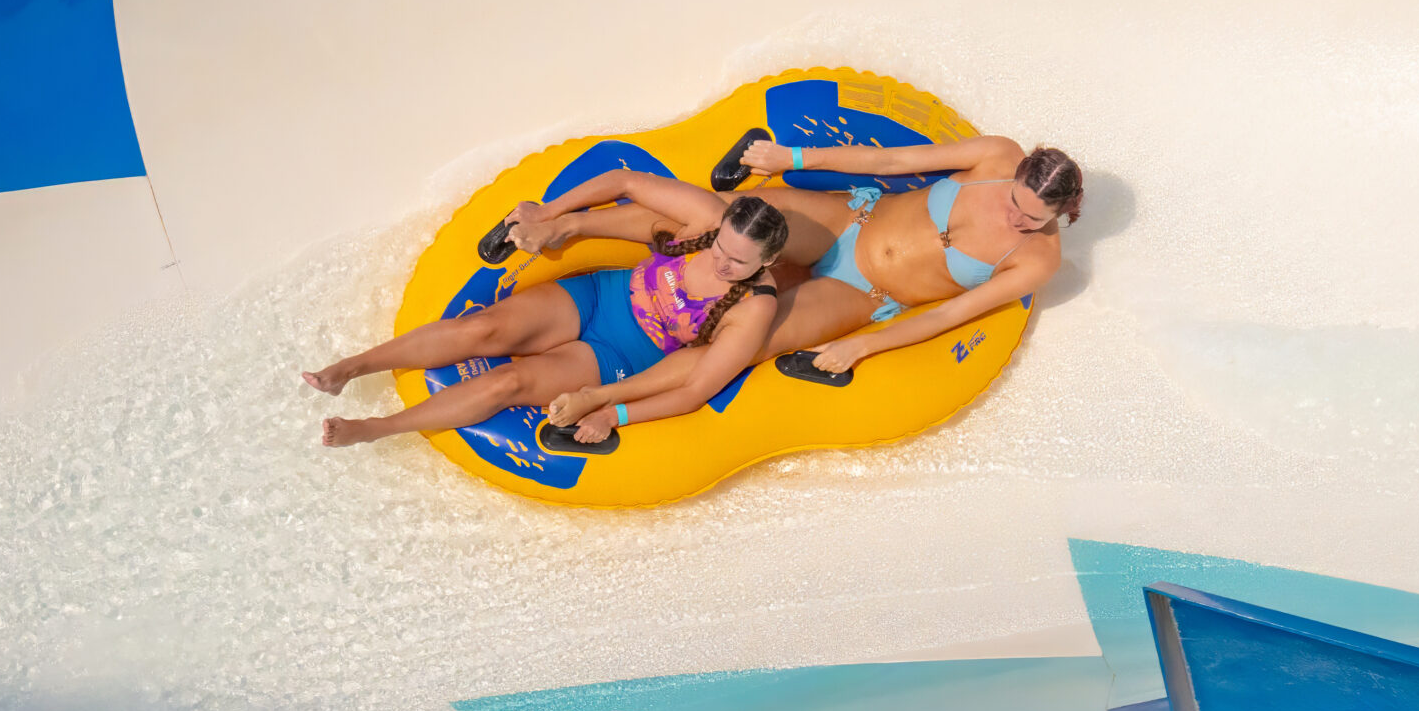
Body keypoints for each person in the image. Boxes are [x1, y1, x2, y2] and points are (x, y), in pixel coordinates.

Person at [508, 137, 1082, 443]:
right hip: (850, 219)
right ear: (1020, 172)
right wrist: (794, 159)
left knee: (747, 342)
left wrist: (863, 346)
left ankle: (610, 398)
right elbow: (896, 159)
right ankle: (567, 224)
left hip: (865, 291)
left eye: (1032, 218)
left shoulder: (1036, 260)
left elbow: (950, 314)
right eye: (1014, 203)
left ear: (1062, 212)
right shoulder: (998, 156)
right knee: (722, 222)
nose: (1015, 219)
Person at [305, 191, 791, 447]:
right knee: (482, 329)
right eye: (721, 247)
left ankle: (376, 428)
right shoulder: (706, 217)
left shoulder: (754, 307)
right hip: (601, 296)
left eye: (738, 263)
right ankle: (350, 368)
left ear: (766, 264)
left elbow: (692, 391)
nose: (721, 263)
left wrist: (611, 411)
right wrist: (554, 215)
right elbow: (623, 183)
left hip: (619, 355)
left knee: (508, 382)